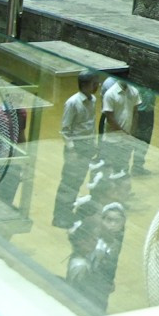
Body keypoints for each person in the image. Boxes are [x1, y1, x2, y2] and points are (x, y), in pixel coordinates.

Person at [54, 73, 100, 228]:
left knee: (77, 182)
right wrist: (72, 151)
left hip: (87, 149)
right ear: (86, 84)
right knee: (68, 183)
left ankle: (68, 213)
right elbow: (65, 130)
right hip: (75, 150)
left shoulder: (93, 100)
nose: (97, 86)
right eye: (95, 83)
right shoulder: (72, 103)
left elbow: (90, 125)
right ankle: (59, 217)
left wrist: (94, 144)